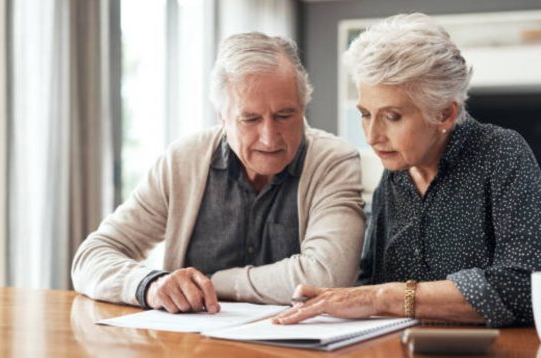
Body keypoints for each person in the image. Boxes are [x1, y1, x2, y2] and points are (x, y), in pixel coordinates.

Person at [273, 13, 541, 328]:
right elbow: (372, 280)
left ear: (445, 114)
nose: (371, 136)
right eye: (366, 114)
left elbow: (526, 287)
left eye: (392, 116)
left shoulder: (502, 154)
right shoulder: (394, 175)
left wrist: (384, 298)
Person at [71, 32, 365, 314]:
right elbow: (91, 256)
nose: (269, 137)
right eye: (250, 119)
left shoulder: (333, 161)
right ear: (222, 117)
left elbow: (328, 275)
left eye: (284, 116)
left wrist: (216, 281)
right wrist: (151, 285)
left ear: (302, 108)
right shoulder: (182, 161)